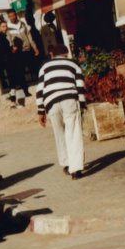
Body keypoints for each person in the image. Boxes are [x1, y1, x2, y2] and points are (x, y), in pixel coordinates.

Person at [37, 43, 87, 179]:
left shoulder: (44, 67)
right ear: (66, 54)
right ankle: (75, 169)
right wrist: (82, 104)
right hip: (69, 99)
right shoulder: (74, 64)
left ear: (53, 55)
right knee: (73, 132)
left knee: (59, 133)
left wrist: (41, 111)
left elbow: (40, 89)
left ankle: (66, 164)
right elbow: (80, 86)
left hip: (51, 102)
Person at [0, 18, 27, 105]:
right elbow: (3, 50)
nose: (5, 28)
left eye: (6, 26)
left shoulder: (2, 37)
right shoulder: (0, 38)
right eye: (3, 26)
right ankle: (13, 99)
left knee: (13, 80)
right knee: (13, 79)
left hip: (8, 61)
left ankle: (13, 98)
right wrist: (12, 49)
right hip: (7, 61)